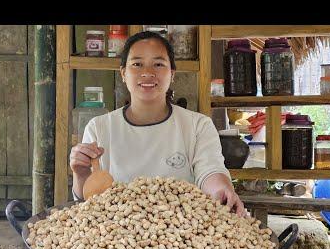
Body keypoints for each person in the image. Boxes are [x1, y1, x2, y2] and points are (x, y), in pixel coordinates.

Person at [69, 31, 245, 216]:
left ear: (172, 73)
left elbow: (210, 171)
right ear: (123, 73)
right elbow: (88, 201)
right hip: (114, 235)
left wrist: (222, 190)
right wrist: (81, 175)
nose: (147, 73)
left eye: (159, 64)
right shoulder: (99, 128)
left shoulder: (197, 125)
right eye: (137, 64)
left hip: (181, 232)